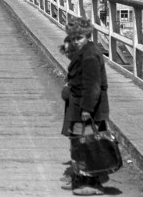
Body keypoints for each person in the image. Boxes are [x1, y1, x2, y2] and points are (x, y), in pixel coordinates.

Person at [59, 17, 110, 195]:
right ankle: (80, 177)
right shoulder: (85, 52)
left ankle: (92, 183)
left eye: (78, 37)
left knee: (87, 145)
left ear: (87, 35)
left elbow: (93, 86)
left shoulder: (89, 56)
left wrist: (87, 109)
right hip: (78, 105)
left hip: (87, 109)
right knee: (79, 143)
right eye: (72, 38)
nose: (75, 41)